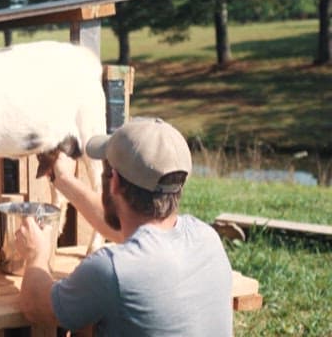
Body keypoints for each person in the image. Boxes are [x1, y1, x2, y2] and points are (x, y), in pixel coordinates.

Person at [15, 117, 233, 336]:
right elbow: (127, 232)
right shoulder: (207, 239)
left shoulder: (110, 270)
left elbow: (35, 306)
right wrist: (63, 180)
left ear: (115, 182)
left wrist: (36, 254)